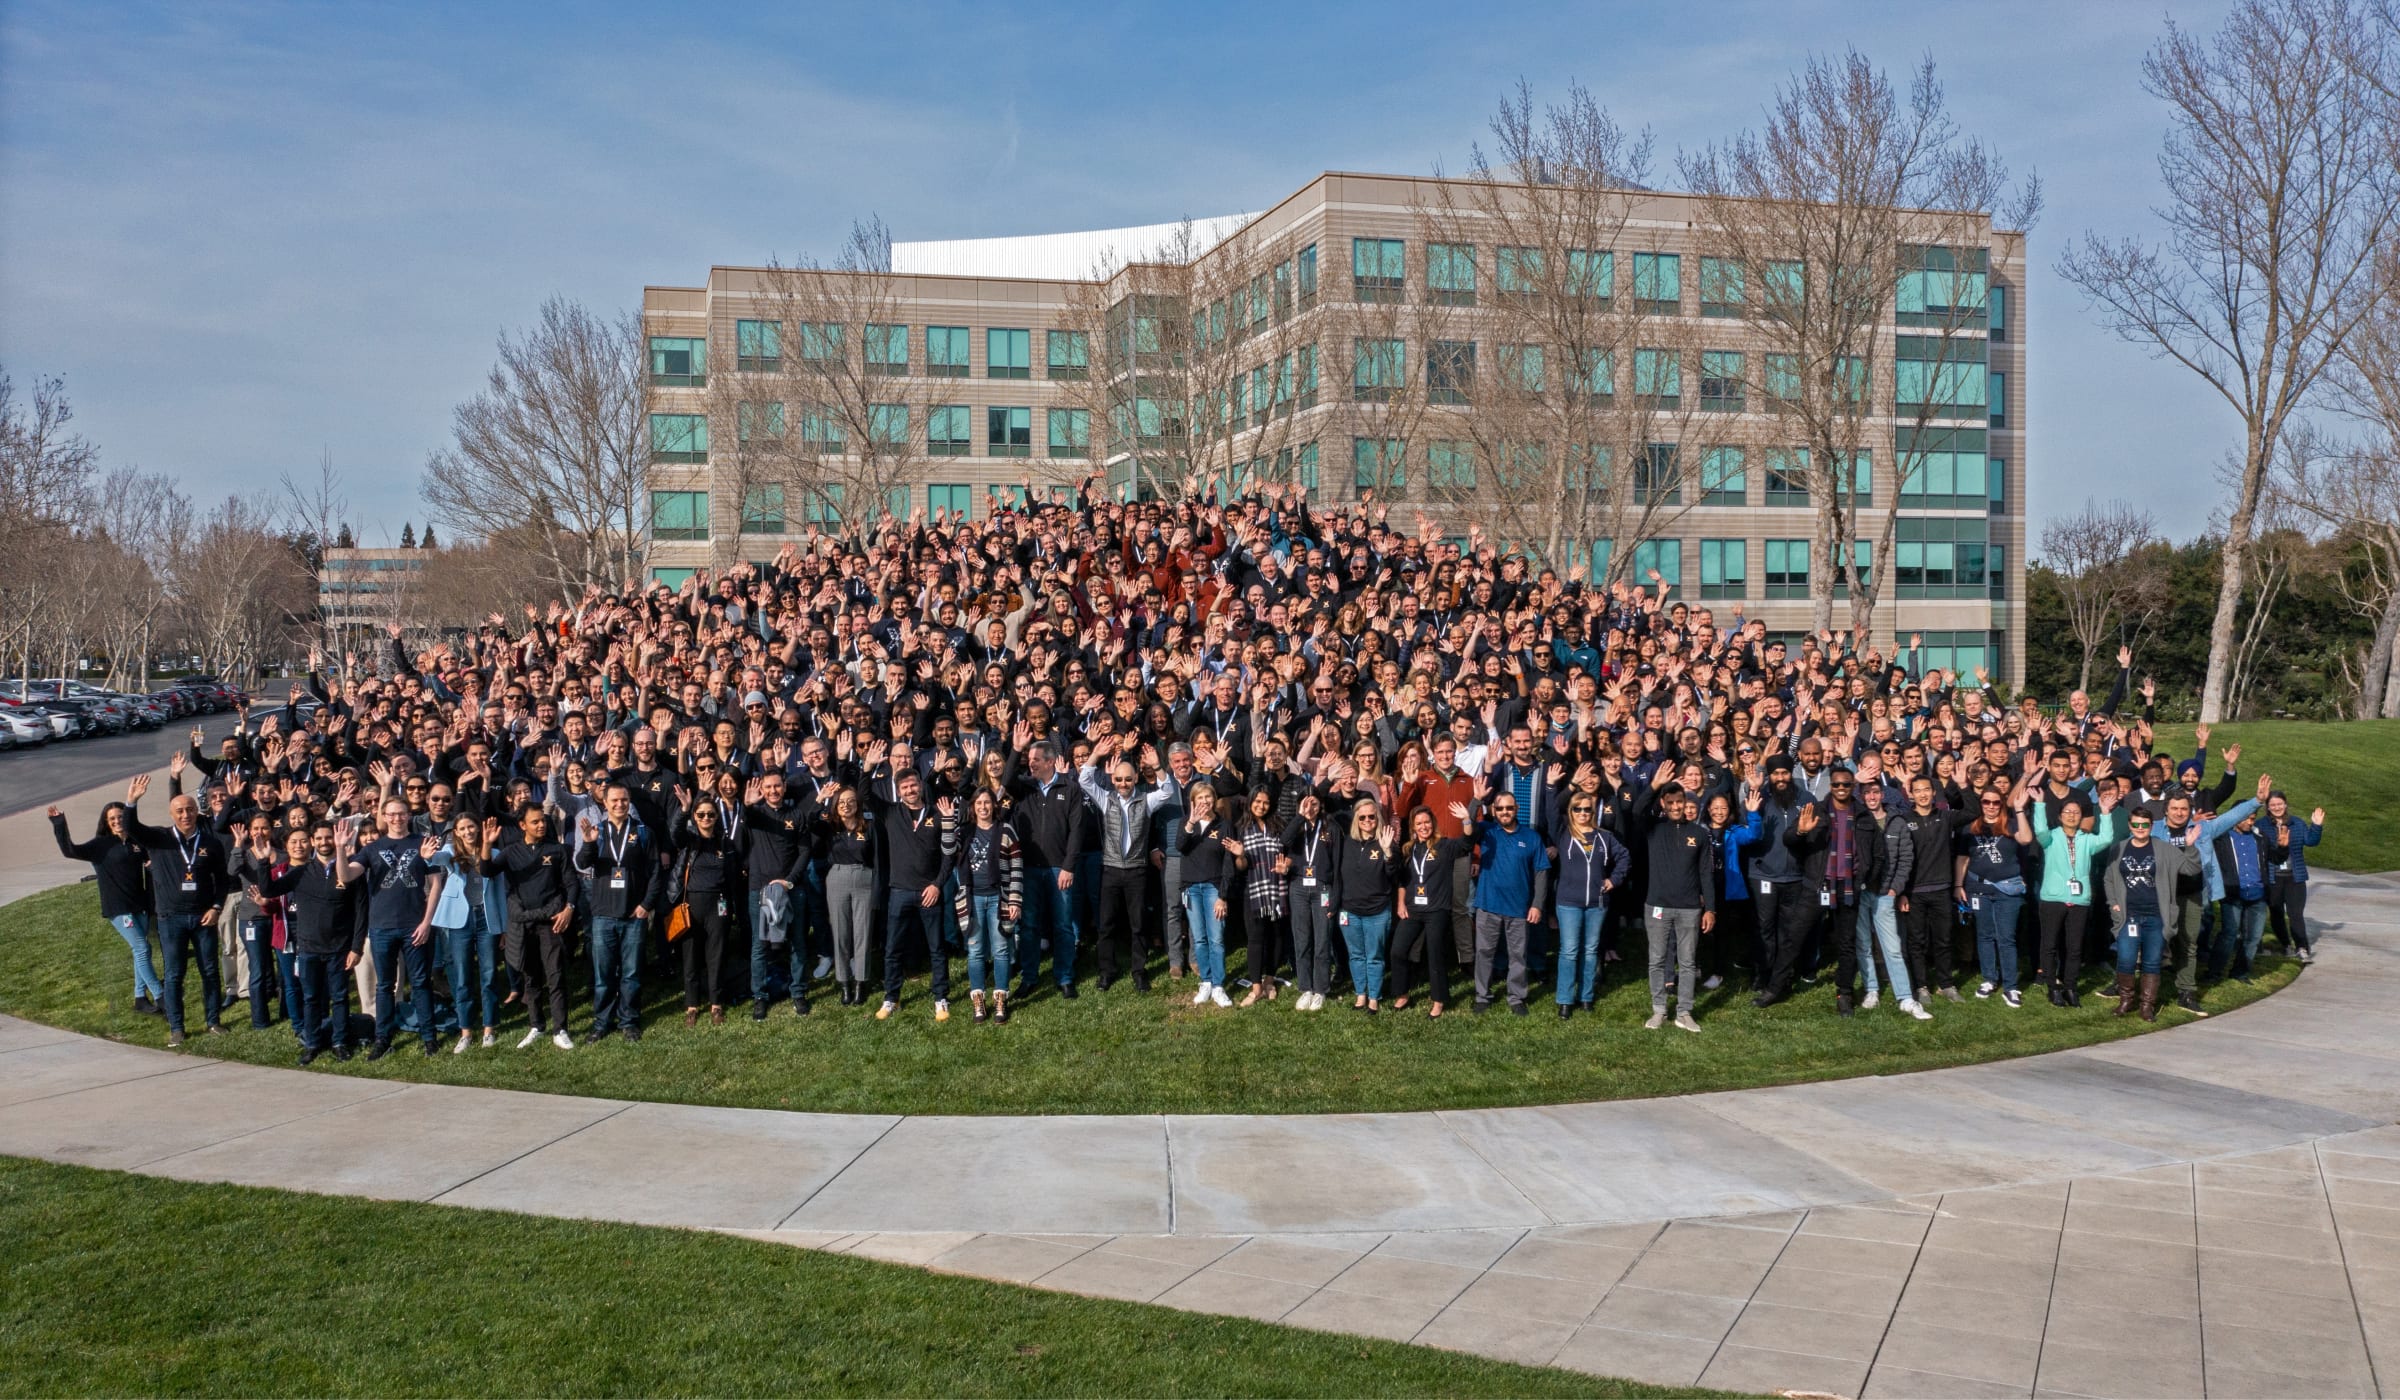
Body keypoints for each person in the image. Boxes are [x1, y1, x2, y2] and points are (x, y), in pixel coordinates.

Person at [125, 790, 232, 1049]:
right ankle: (177, 1028)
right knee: (174, 975)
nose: (186, 815)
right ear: (171, 814)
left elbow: (223, 879)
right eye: (180, 811)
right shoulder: (159, 838)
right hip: (171, 918)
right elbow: (131, 827)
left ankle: (213, 1021)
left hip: (203, 917)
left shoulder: (210, 843)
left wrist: (216, 907)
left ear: (197, 811)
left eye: (190, 809)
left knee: (209, 971)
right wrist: (132, 802)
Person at [49, 776, 162, 1016]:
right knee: (142, 948)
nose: (117, 821)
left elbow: (151, 863)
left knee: (142, 951)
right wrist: (59, 824)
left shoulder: (136, 842)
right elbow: (70, 850)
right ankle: (161, 996)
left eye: (120, 817)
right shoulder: (100, 845)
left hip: (139, 905)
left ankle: (140, 998)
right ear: (106, 823)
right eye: (112, 819)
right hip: (118, 909)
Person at [1078, 748, 1177, 993]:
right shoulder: (1106, 799)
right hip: (1111, 870)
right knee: (1107, 924)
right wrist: (1095, 755)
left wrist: (1157, 766)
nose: (1123, 784)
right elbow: (1084, 779)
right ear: (1113, 779)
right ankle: (1106, 971)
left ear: (1135, 779)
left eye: (1128, 779)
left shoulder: (1146, 800)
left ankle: (1139, 971)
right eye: (1119, 779)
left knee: (1138, 924)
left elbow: (1167, 790)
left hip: (1136, 871)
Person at [358, 797, 447, 1059]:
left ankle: (429, 1037)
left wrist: (427, 922)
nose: (397, 818)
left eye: (401, 813)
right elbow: (347, 874)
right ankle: (382, 1039)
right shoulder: (372, 848)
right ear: (384, 816)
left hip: (415, 926)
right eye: (392, 814)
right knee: (384, 986)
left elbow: (436, 885)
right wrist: (341, 850)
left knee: (420, 983)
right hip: (381, 927)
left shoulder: (422, 843)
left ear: (409, 815)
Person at [481, 807, 577, 1049]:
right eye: (535, 822)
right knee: (531, 977)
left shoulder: (557, 850)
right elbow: (486, 871)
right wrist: (487, 845)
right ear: (523, 825)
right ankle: (537, 1025)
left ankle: (560, 1029)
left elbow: (571, 883)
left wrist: (569, 908)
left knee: (555, 976)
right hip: (523, 924)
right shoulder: (510, 852)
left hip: (551, 922)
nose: (541, 825)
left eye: (542, 821)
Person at [573, 783, 657, 1041]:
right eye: (614, 801)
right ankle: (602, 1023)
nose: (620, 804)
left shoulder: (643, 832)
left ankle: (629, 1021)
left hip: (634, 915)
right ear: (605, 803)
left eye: (624, 800)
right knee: (604, 976)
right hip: (603, 915)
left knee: (631, 975)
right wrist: (588, 844)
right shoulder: (597, 831)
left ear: (629, 801)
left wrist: (646, 905)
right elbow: (582, 863)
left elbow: (655, 871)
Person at [2104, 808, 2197, 1022]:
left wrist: (2190, 846)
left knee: (2152, 962)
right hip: (2128, 915)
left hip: (2156, 916)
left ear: (2151, 826)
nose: (2140, 828)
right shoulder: (2119, 848)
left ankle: (2147, 1006)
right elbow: (2109, 878)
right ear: (2130, 826)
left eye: (2144, 824)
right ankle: (2126, 1000)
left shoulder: (2164, 849)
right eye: (2136, 824)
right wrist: (2113, 903)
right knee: (2125, 959)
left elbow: (2191, 868)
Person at [2029, 789, 2120, 1008]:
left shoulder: (2086, 840)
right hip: (2053, 898)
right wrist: (2039, 805)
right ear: (2060, 816)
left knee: (2075, 947)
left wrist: (2105, 813)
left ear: (2081, 817)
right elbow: (2039, 830)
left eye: (2076, 812)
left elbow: (2106, 838)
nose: (2072, 816)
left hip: (2079, 900)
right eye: (2067, 812)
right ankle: (2052, 986)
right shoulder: (2051, 837)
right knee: (2049, 944)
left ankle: (2070, 986)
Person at [430, 812, 508, 1050]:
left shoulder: (494, 853)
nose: (468, 832)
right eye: (462, 828)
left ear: (478, 828)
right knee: (462, 977)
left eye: (471, 827)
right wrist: (428, 854)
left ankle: (489, 1028)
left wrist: (503, 927)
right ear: (456, 832)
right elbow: (437, 858)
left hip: (486, 918)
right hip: (459, 921)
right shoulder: (451, 852)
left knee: (488, 974)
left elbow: (500, 892)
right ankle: (465, 1031)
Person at [1642, 784, 1715, 1032]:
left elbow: (1706, 873)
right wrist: (1654, 786)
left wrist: (1710, 908)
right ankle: (1659, 1010)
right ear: (1663, 803)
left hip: (1689, 908)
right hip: (1657, 906)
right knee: (1657, 960)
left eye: (1679, 802)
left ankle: (1684, 1012)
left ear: (1685, 803)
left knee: (1687, 962)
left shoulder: (1699, 834)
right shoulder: (1653, 828)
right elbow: (1638, 810)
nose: (1675, 806)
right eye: (1670, 802)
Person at [1471, 790, 1550, 1016]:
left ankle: (1516, 997)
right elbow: (1467, 826)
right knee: (1484, 952)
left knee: (1518, 955)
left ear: (1516, 809)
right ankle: (1482, 995)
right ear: (1493, 811)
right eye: (1500, 808)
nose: (1505, 812)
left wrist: (1537, 904)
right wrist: (1476, 801)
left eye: (1509, 808)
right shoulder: (1486, 832)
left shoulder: (1531, 837)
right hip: (1488, 905)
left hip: (1519, 908)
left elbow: (1541, 872)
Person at [1553, 791, 1631, 1018]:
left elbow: (1624, 856)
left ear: (1593, 812)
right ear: (1571, 811)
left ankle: (1586, 996)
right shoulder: (1563, 834)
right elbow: (1552, 809)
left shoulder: (1604, 837)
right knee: (1569, 951)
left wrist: (1614, 880)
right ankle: (1565, 999)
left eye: (1587, 809)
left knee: (1590, 951)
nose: (1583, 813)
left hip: (1597, 903)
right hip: (1569, 902)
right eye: (1577, 809)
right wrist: (1555, 786)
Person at [1388, 806, 1471, 1016]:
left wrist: (1466, 820)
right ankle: (1402, 993)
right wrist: (1400, 903)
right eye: (1419, 824)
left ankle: (1438, 1000)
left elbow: (1467, 843)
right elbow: (1402, 880)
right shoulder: (1408, 850)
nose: (1423, 827)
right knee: (1397, 950)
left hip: (1437, 910)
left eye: (1426, 822)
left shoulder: (1444, 846)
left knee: (1435, 955)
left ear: (1432, 823)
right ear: (1413, 827)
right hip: (1412, 910)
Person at [950, 786, 1023, 1021]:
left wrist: (1015, 899)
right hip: (972, 899)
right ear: (973, 806)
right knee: (975, 951)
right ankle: (978, 998)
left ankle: (1001, 997)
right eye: (979, 803)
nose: (983, 807)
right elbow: (948, 850)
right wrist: (949, 823)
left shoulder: (1006, 830)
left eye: (987, 802)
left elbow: (1016, 866)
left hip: (999, 898)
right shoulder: (964, 831)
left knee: (1001, 949)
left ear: (994, 805)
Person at [664, 798, 741, 1023]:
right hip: (692, 904)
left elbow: (733, 876)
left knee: (717, 955)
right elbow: (675, 832)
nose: (706, 818)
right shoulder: (689, 841)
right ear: (695, 818)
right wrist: (684, 810)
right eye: (701, 814)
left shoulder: (725, 843)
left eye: (710, 814)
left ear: (716, 817)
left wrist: (734, 905)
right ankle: (692, 1004)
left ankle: (716, 1003)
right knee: (691, 956)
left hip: (719, 905)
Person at [1173, 781, 1242, 1009]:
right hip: (1191, 888)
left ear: (1214, 799)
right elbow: (1180, 846)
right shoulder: (1186, 822)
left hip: (1214, 888)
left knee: (1216, 938)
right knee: (1199, 938)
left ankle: (1218, 985)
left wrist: (1223, 895)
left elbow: (1228, 863)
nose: (1204, 801)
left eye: (1208, 797)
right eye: (1200, 798)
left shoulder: (1224, 825)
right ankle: (1206, 981)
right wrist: (1191, 822)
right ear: (1193, 801)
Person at [1332, 799, 1400, 1013]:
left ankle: (1374, 997)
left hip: (1377, 911)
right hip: (1349, 911)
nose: (1367, 820)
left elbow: (1395, 876)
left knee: (1374, 956)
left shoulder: (1386, 842)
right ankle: (1360, 994)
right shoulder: (1347, 843)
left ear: (1378, 818)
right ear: (1356, 819)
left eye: (1372, 816)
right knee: (1355, 955)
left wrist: (1388, 853)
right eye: (1362, 817)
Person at [2260, 792, 2324, 962]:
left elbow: (2311, 841)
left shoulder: (2297, 823)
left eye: (2280, 804)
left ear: (2286, 804)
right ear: (2267, 807)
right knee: (2276, 913)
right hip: (2273, 877)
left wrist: (2316, 826)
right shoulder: (2261, 825)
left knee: (2296, 914)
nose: (2277, 808)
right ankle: (2285, 944)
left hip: (2295, 877)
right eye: (2273, 805)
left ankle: (2302, 947)